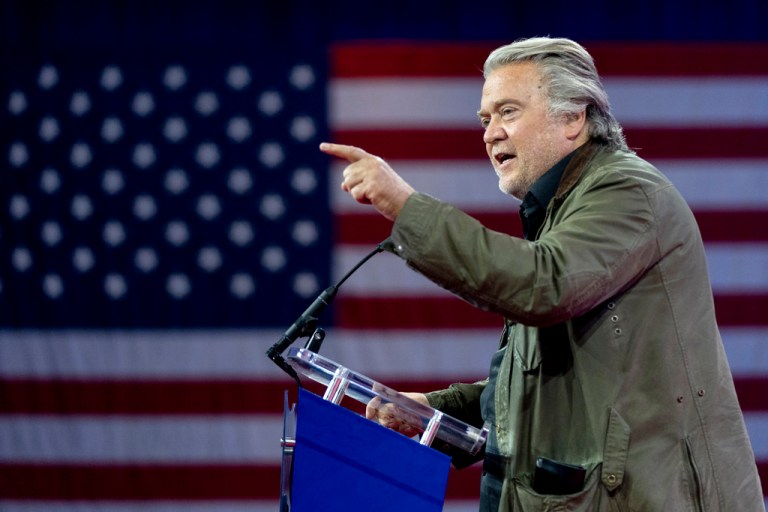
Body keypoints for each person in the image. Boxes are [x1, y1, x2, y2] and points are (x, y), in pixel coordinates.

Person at [320, 37, 764, 511]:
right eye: (485, 119)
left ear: (573, 118)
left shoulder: (627, 191)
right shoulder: (561, 209)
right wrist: (436, 411)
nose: (490, 134)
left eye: (508, 112)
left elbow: (542, 286)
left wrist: (405, 207)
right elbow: (547, 377)